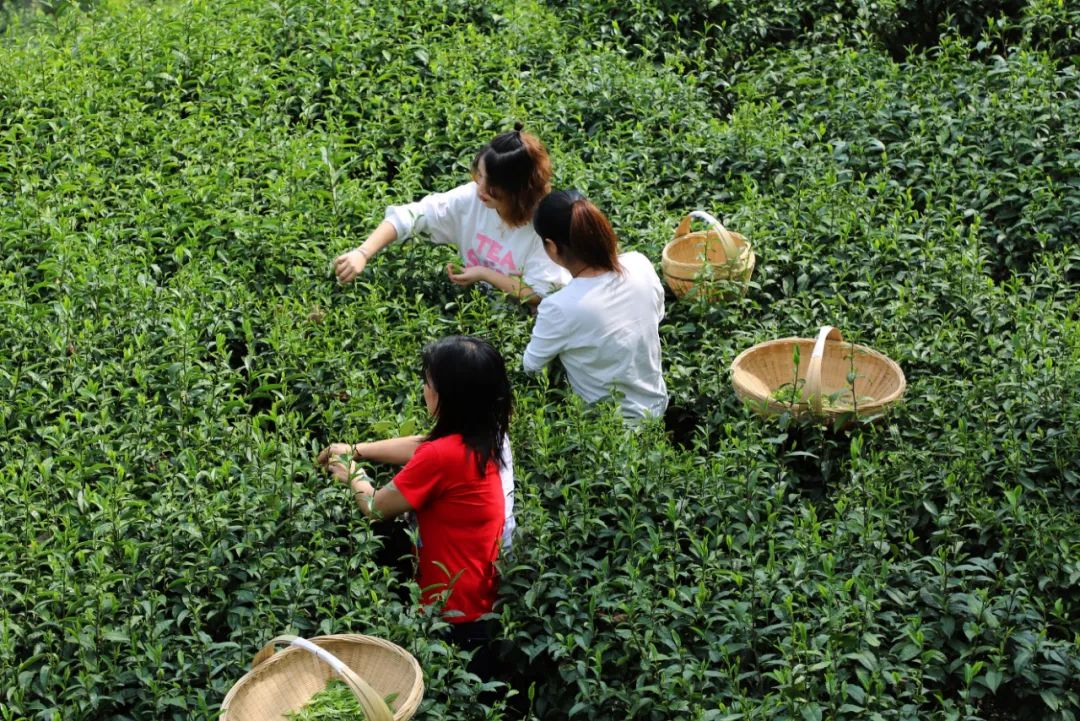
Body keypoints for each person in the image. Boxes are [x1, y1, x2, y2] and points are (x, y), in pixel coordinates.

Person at [317, 336, 511, 671]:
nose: (424, 389)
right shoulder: (487, 435)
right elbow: (421, 445)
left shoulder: (441, 457)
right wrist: (357, 449)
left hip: (452, 613)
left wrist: (351, 473)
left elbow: (375, 506)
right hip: (483, 602)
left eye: (428, 383)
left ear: (447, 397)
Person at [333, 124, 570, 305]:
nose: (480, 189)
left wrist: (483, 274)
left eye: (491, 185)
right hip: (480, 307)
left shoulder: (542, 227)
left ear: (517, 191)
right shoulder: (473, 199)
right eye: (480, 175)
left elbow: (540, 293)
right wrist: (362, 253)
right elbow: (410, 216)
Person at [523, 190, 668, 421]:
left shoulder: (559, 307)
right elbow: (657, 314)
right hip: (656, 407)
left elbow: (531, 365)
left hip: (607, 429)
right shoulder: (639, 263)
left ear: (551, 246)